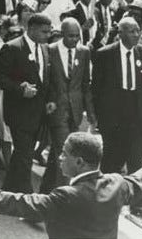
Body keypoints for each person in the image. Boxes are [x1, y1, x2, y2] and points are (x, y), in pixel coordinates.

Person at [0, 132, 142, 239]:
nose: (59, 157)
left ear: (79, 162)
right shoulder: (118, 184)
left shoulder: (67, 195)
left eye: (64, 153)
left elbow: (19, 203)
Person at [92, 17, 142, 217]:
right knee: (111, 160)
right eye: (131, 31)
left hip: (136, 115)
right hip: (113, 115)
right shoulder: (105, 54)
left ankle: (137, 204)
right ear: (120, 33)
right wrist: (99, 118)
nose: (137, 35)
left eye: (138, 31)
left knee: (137, 161)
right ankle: (101, 200)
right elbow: (96, 89)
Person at [0, 13, 57, 195]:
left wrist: (50, 100)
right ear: (32, 29)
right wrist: (19, 89)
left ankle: (7, 192)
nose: (48, 35)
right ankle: (27, 197)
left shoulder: (45, 49)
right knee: (25, 155)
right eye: (44, 32)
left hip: (38, 114)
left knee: (23, 154)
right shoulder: (12, 48)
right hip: (18, 112)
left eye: (49, 31)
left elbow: (47, 79)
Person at [41, 18, 96, 193]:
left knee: (56, 155)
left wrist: (91, 113)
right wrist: (48, 101)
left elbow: (85, 84)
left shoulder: (84, 52)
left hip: (76, 111)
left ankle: (45, 191)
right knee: (66, 155)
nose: (75, 39)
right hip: (57, 111)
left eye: (77, 36)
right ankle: (62, 197)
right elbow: (46, 81)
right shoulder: (49, 50)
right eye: (71, 36)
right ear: (62, 34)